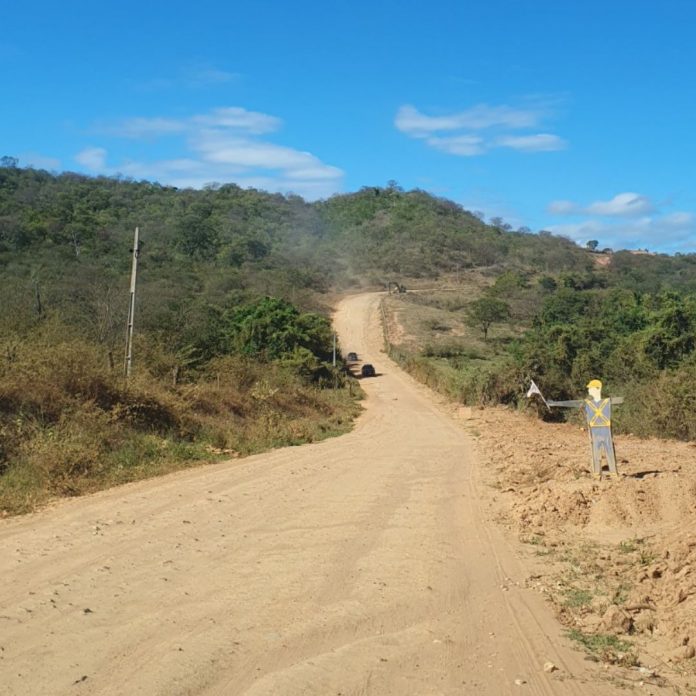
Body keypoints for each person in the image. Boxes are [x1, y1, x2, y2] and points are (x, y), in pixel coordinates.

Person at [547, 379, 624, 479]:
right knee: (596, 453)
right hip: (595, 431)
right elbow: (572, 403)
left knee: (609, 451)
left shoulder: (607, 401)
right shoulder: (588, 402)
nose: (589, 391)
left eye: (591, 388)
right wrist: (554, 404)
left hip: (606, 430)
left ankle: (613, 474)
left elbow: (622, 399)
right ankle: (597, 474)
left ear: (598, 389)